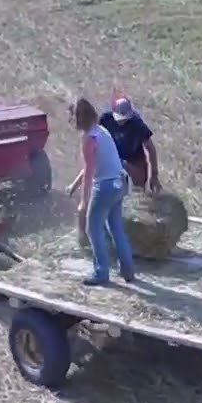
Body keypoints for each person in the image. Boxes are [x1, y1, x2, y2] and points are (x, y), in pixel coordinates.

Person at [67, 98, 135, 286]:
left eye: (72, 116)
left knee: (93, 229)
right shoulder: (101, 131)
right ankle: (128, 270)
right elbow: (91, 165)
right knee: (116, 228)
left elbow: (90, 172)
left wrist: (83, 201)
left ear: (79, 117)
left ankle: (101, 272)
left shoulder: (89, 139)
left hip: (105, 187)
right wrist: (74, 185)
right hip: (120, 182)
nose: (70, 121)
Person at [66, 97, 161, 195]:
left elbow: (150, 148)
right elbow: (91, 161)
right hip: (113, 158)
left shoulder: (137, 125)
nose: (122, 122)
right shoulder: (105, 120)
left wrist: (154, 175)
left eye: (125, 119)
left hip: (134, 161)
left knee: (138, 191)